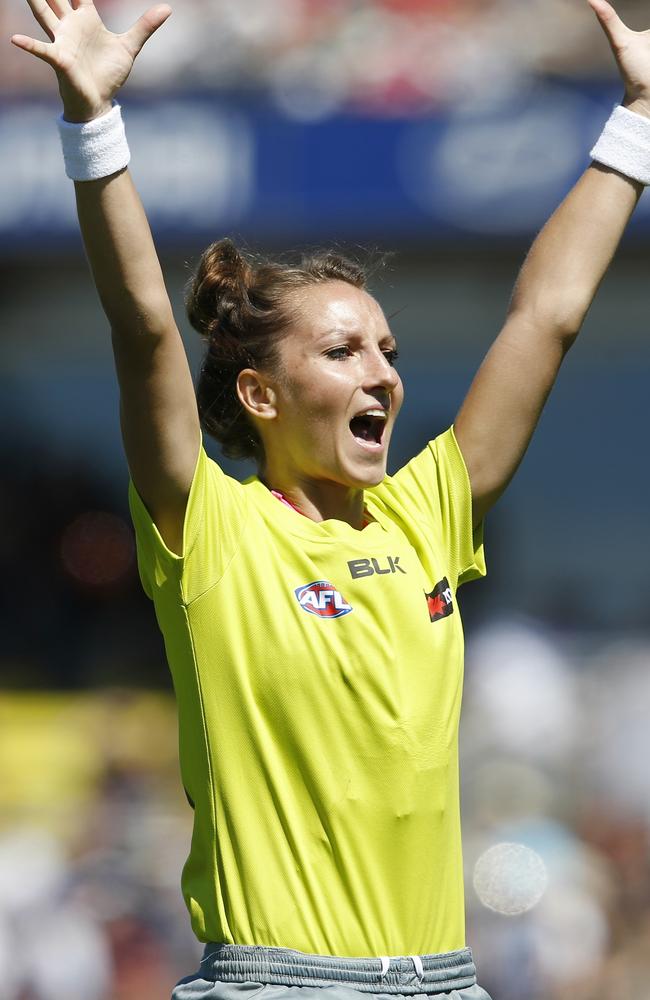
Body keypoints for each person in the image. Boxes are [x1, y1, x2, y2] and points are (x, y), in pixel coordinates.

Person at [9, 0, 650, 997]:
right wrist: (94, 127)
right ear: (260, 394)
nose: (382, 376)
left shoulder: (426, 512)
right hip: (275, 983)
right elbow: (140, 326)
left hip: (444, 981)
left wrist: (636, 119)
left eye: (387, 352)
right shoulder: (211, 527)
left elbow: (546, 313)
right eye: (343, 351)